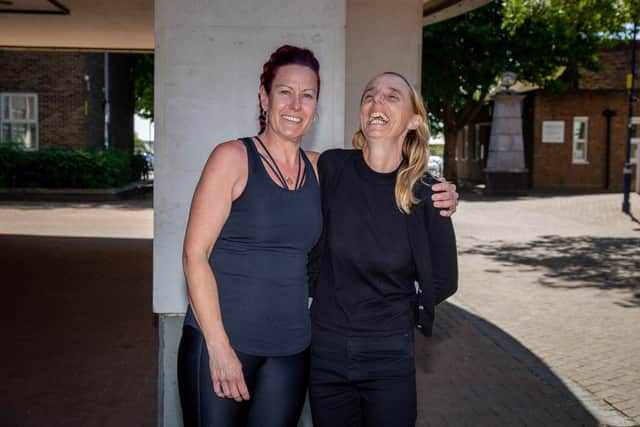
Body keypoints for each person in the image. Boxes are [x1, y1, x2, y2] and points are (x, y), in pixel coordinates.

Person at [177, 45, 458, 427]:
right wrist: (218, 346)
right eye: (284, 92)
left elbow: (380, 196)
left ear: (316, 105)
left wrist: (443, 193)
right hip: (226, 342)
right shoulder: (234, 158)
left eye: (307, 95)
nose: (296, 103)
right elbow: (194, 254)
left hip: (291, 351)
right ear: (264, 97)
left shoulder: (320, 168)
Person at [308, 72, 458, 427]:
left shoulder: (427, 193)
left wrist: (396, 315)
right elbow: (278, 165)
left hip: (389, 354)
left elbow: (445, 279)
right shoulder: (331, 167)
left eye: (392, 97)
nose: (377, 102)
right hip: (325, 349)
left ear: (414, 120)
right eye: (370, 95)